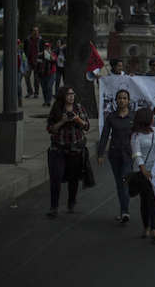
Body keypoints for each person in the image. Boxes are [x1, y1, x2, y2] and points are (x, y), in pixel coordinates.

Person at [46, 86, 90, 217]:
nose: (71, 96)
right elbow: (50, 129)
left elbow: (87, 126)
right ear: (63, 96)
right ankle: (54, 207)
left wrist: (77, 119)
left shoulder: (79, 108)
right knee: (56, 178)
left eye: (73, 93)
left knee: (73, 178)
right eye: (68, 94)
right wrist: (62, 121)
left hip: (75, 149)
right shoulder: (57, 109)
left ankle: (71, 202)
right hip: (58, 149)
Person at [96, 89, 134, 224]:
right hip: (114, 154)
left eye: (124, 98)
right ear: (116, 100)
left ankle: (125, 212)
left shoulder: (133, 117)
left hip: (128, 155)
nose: (122, 100)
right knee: (119, 183)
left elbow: (139, 136)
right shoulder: (111, 117)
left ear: (128, 101)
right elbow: (105, 136)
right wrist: (100, 154)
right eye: (119, 98)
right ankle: (123, 209)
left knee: (125, 181)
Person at [130, 107, 155, 242]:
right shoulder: (136, 136)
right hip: (142, 172)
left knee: (153, 199)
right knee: (145, 199)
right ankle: (146, 226)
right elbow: (137, 154)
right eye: (152, 116)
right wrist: (143, 170)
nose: (154, 118)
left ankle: (154, 228)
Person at [37, 40, 58, 107]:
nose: (46, 48)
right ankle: (45, 101)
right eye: (45, 47)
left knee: (49, 87)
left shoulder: (53, 53)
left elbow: (54, 60)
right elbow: (38, 63)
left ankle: (48, 101)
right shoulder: (40, 55)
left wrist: (49, 54)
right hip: (43, 74)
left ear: (50, 47)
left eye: (48, 47)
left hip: (51, 73)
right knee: (44, 88)